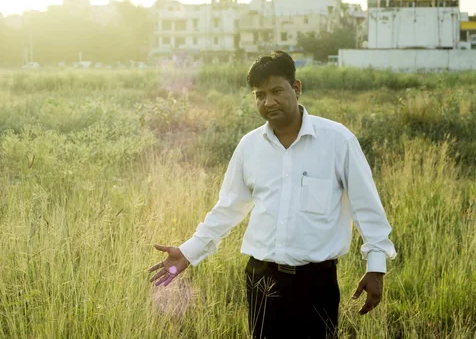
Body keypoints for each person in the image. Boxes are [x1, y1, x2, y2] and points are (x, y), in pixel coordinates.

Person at [148, 51, 397, 339]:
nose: (268, 102)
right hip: (261, 280)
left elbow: (367, 207)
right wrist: (189, 252)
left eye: (277, 91)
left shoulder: (338, 141)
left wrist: (376, 266)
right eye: (260, 94)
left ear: (297, 88)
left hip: (315, 282)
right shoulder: (249, 146)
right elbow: (228, 207)